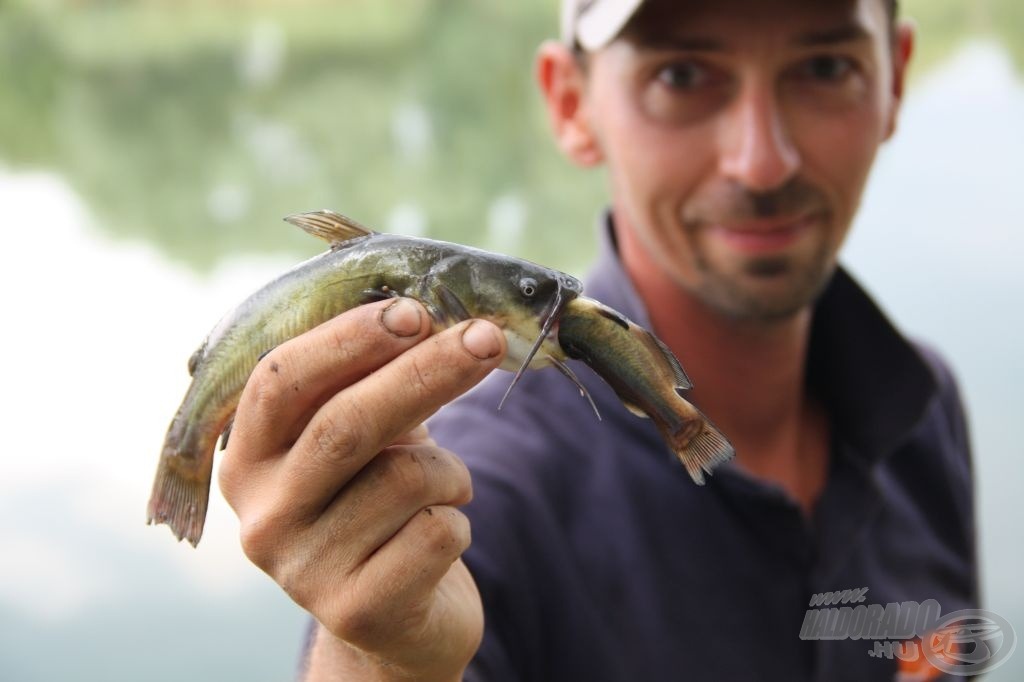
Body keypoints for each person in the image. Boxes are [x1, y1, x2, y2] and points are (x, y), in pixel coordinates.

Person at [217, 0, 978, 679]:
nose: (761, 160)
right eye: (683, 74)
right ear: (571, 102)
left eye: (823, 66)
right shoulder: (470, 496)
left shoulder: (927, 406)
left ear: (895, 79)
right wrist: (384, 658)